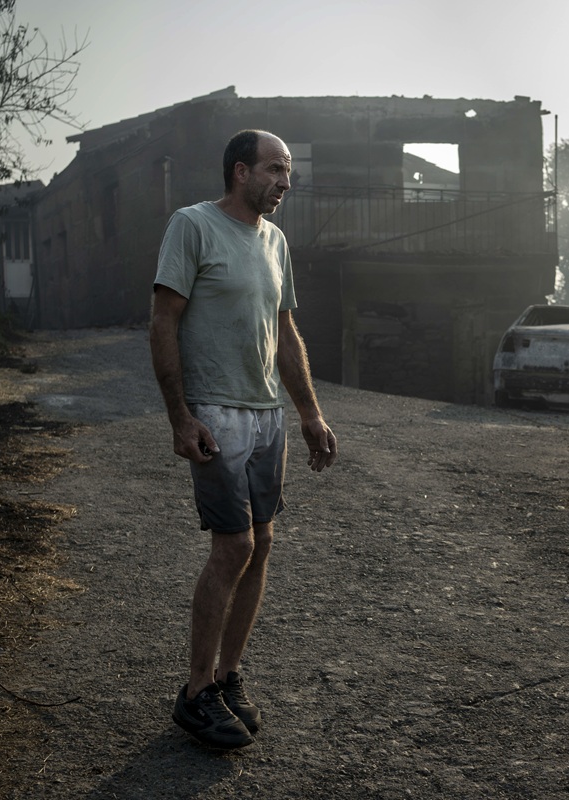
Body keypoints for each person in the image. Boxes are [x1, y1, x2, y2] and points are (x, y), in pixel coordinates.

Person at [149, 129, 337, 749]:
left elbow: (284, 333)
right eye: (276, 170)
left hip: (265, 415)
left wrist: (308, 412)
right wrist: (181, 417)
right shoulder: (192, 226)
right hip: (216, 412)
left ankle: (228, 678)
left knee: (260, 544)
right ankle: (196, 692)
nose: (286, 182)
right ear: (240, 172)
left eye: (288, 173)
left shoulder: (276, 241)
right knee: (231, 548)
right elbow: (163, 321)